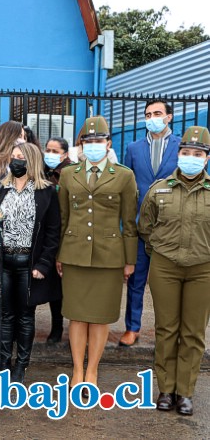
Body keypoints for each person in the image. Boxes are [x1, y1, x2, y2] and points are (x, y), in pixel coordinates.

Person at [56, 116, 137, 392]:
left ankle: (93, 370)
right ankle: (77, 369)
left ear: (108, 143)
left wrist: (129, 260)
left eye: (98, 141)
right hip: (75, 253)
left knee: (100, 316)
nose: (92, 146)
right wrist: (59, 254)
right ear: (81, 146)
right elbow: (63, 218)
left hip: (108, 256)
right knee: (77, 315)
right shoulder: (68, 174)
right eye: (87, 142)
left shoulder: (124, 175)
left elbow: (129, 222)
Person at [138, 126, 210, 417]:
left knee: (193, 332)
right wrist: (159, 248)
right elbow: (145, 225)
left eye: (198, 154)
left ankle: (186, 392)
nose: (191, 158)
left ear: (206, 158)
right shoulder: (160, 188)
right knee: (166, 329)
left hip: (203, 268)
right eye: (186, 152)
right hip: (165, 266)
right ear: (178, 155)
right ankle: (166, 389)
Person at [0, 142, 60, 383]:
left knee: (25, 315)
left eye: (21, 157)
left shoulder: (46, 192)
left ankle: (21, 366)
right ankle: (2, 364)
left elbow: (53, 233)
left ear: (31, 160)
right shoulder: (0, 187)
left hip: (29, 264)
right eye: (13, 157)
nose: (16, 161)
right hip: (3, 261)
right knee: (4, 315)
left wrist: (43, 265)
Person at [120, 99, 181, 347]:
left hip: (170, 227)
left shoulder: (181, 148)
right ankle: (132, 328)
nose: (152, 117)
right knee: (136, 280)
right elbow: (128, 188)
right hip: (139, 227)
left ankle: (167, 331)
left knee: (169, 283)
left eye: (157, 113)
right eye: (148, 114)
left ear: (169, 117)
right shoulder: (133, 148)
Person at [42, 136, 73, 343]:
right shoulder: (42, 171)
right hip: (44, 234)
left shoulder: (69, 174)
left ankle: (58, 327)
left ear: (65, 154)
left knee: (60, 286)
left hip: (63, 234)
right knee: (50, 283)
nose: (50, 154)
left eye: (55, 151)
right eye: (48, 150)